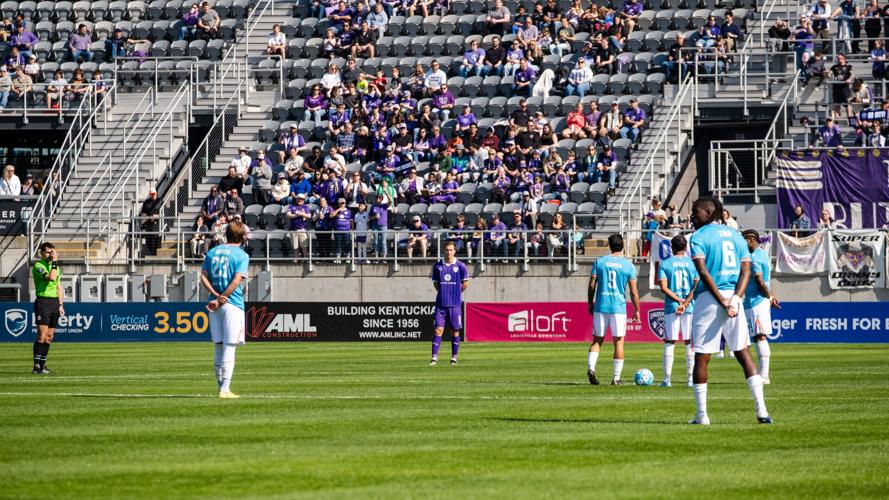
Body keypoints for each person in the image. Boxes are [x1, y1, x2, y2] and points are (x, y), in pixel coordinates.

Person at [687, 196, 771, 425]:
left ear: (710, 212)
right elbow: (746, 270)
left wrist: (722, 301)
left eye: (697, 211)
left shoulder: (698, 237)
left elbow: (703, 273)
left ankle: (702, 415)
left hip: (709, 298)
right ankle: (761, 410)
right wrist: (735, 298)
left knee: (702, 357)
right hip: (734, 297)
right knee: (743, 353)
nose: (693, 215)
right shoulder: (736, 236)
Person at [200, 220, 249, 399]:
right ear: (241, 237)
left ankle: (221, 386)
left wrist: (215, 295)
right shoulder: (242, 255)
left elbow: (203, 277)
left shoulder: (212, 252)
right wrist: (222, 299)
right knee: (229, 346)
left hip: (213, 303)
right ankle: (225, 389)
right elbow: (236, 281)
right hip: (232, 303)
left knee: (218, 346)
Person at [586, 234, 640, 385]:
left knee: (597, 340)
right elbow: (634, 292)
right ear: (622, 245)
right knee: (619, 342)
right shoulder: (628, 265)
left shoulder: (600, 261)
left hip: (601, 305)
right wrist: (637, 310)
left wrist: (590, 302)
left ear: (609, 246)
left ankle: (591, 367)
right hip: (618, 307)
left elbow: (592, 284)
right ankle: (616, 378)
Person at [657, 235, 699, 388]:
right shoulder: (693, 264)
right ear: (686, 247)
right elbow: (696, 287)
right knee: (689, 342)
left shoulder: (665, 264)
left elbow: (663, 287)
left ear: (672, 248)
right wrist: (686, 302)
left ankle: (667, 379)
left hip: (672, 307)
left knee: (670, 341)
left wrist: (678, 301)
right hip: (690, 307)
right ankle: (689, 379)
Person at [742, 229, 779, 385]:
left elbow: (760, 281)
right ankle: (762, 374)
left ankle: (764, 375)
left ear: (751, 240)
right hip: (756, 300)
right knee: (757, 337)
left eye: (744, 240)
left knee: (760, 336)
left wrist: (770, 296)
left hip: (757, 301)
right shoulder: (763, 254)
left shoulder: (755, 257)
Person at [429, 240, 470, 366]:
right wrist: (444, 293)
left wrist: (455, 293)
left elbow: (465, 284)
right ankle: (434, 358)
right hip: (441, 304)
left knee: (455, 331)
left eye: (451, 250)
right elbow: (436, 284)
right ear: (444, 250)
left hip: (455, 304)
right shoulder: (437, 266)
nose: (449, 252)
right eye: (447, 250)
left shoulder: (461, 266)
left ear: (454, 251)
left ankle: (454, 358)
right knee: (438, 330)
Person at [30, 242, 64, 374]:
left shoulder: (55, 267)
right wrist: (55, 263)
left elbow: (58, 287)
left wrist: (60, 305)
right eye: (49, 252)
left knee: (49, 337)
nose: (51, 254)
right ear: (42, 253)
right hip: (43, 302)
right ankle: (36, 365)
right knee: (41, 336)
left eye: (53, 252)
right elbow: (51, 278)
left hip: (54, 302)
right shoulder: (39, 266)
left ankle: (43, 365)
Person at [138, 189, 161, 256]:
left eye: (153, 194)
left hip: (157, 224)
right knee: (149, 241)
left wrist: (157, 216)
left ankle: (155, 255)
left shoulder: (159, 201)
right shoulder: (146, 202)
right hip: (148, 224)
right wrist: (148, 217)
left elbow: (164, 212)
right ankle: (152, 255)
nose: (152, 196)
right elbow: (142, 213)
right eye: (151, 194)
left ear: (156, 193)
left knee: (155, 240)